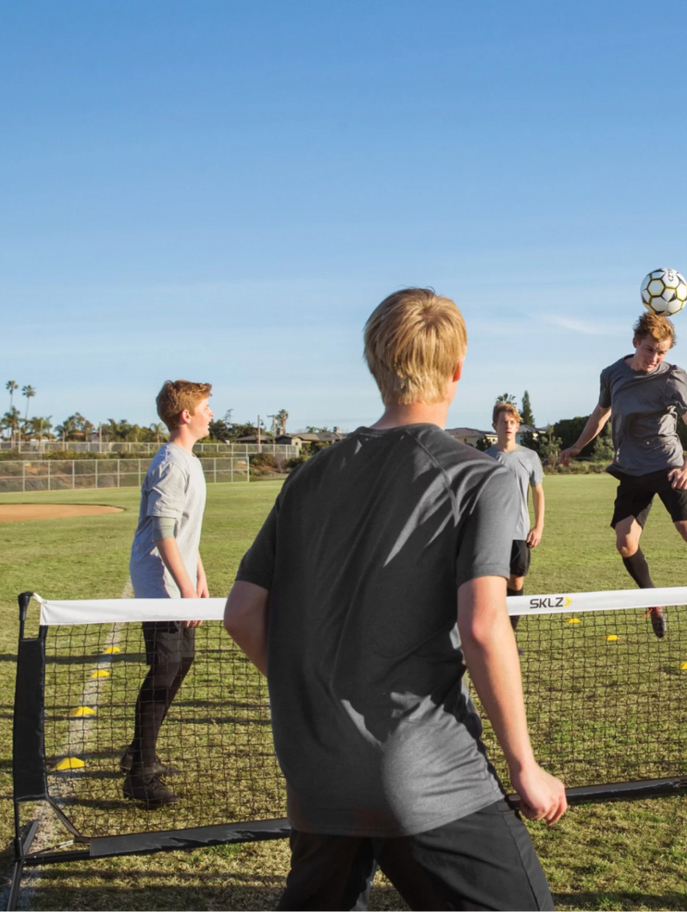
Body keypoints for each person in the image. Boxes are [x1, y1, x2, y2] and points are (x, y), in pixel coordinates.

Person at [224, 288, 566, 912]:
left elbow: (242, 613)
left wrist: (327, 692)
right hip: (428, 774)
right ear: (458, 372)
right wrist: (525, 766)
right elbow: (485, 627)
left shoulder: (308, 477)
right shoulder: (479, 478)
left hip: (316, 775)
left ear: (373, 364)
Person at [559, 312, 687, 641]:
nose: (655, 358)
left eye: (662, 352)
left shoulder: (673, 377)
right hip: (631, 469)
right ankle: (653, 601)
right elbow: (600, 414)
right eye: (649, 350)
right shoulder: (612, 374)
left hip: (668, 465)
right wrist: (576, 446)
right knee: (625, 544)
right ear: (635, 343)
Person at [122, 380, 214, 808]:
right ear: (186, 415)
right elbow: (161, 532)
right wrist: (182, 588)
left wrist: (199, 576)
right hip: (158, 582)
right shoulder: (171, 464)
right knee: (165, 666)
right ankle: (140, 773)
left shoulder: (189, 461)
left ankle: (140, 752)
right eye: (206, 407)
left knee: (183, 660)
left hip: (178, 580)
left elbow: (182, 529)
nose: (211, 414)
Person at [485, 401, 545, 630]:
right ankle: (495, 633)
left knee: (516, 581)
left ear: (517, 426)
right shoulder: (484, 457)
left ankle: (509, 634)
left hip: (519, 532)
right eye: (503, 422)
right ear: (494, 425)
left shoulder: (530, 457)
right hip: (491, 533)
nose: (508, 426)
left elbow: (538, 492)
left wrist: (538, 527)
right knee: (492, 584)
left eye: (513, 422)